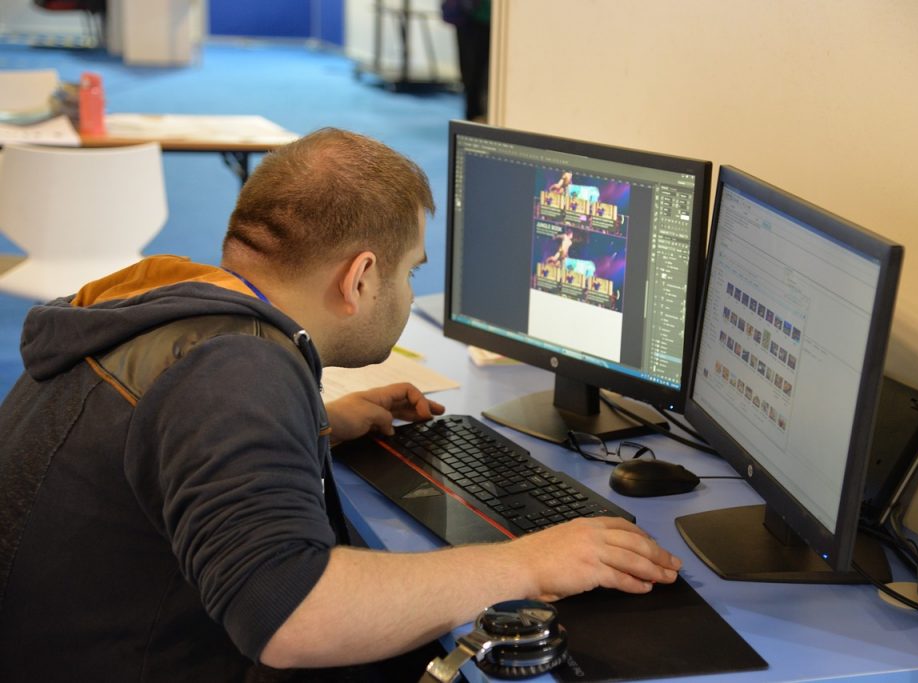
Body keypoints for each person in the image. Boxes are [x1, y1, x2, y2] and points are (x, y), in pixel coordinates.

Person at [0, 128, 681, 681]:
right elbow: (290, 614)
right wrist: (531, 562)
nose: (410, 293)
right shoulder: (237, 374)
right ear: (360, 277)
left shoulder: (175, 307)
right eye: (410, 271)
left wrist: (314, 428)